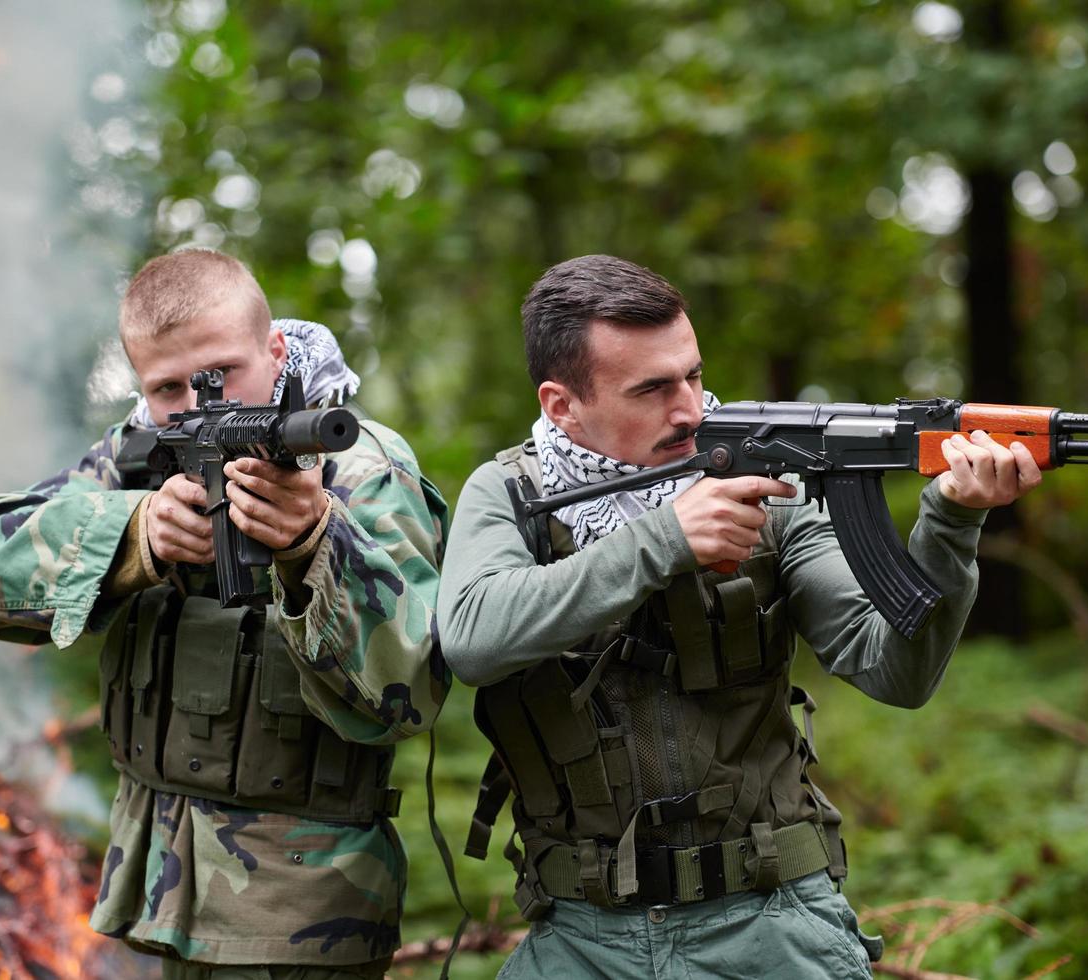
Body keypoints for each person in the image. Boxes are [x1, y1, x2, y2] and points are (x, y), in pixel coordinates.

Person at [437, 254, 1042, 979]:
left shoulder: (765, 477)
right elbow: (472, 638)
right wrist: (665, 540)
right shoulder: (510, 493)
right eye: (653, 389)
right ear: (562, 405)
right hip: (581, 937)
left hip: (770, 924)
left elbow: (894, 668)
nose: (690, 408)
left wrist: (949, 525)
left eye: (692, 374)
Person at [0, 248, 448, 979]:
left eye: (220, 374)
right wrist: (132, 536)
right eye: (167, 386)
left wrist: (313, 542)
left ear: (276, 349)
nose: (196, 403)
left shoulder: (361, 469)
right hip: (148, 896)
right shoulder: (136, 455)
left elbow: (413, 688)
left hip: (298, 919)